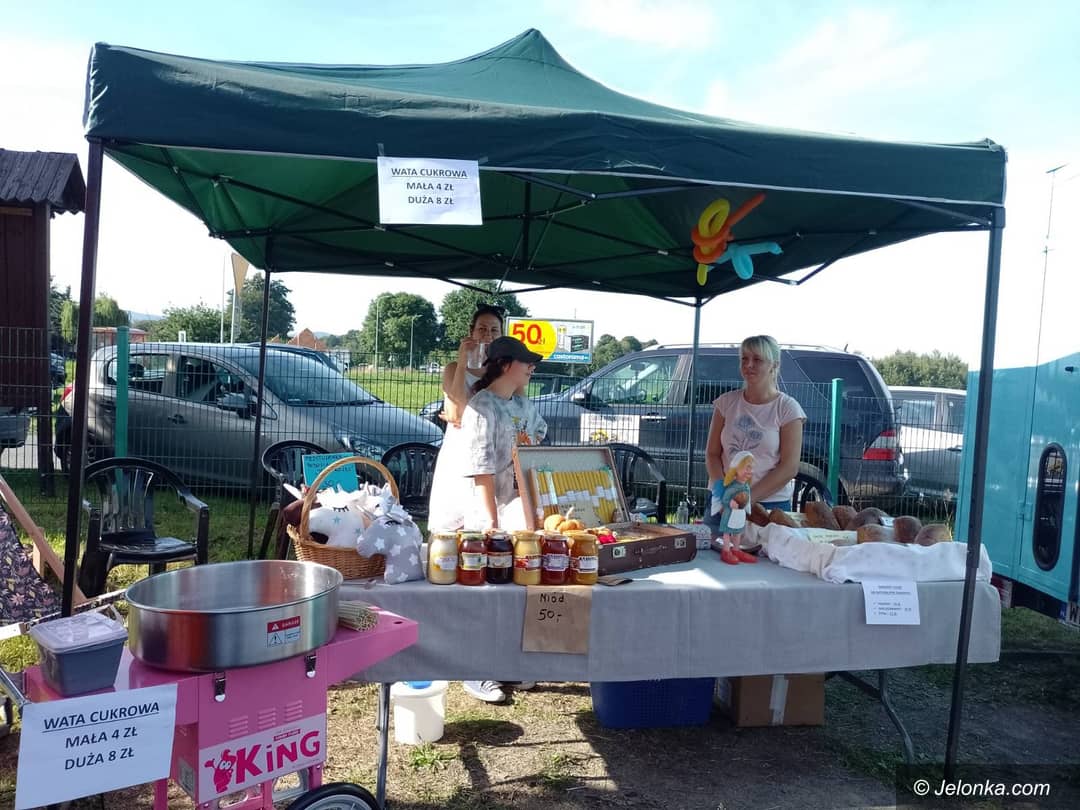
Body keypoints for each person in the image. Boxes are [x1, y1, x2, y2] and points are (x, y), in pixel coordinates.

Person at [705, 335, 806, 529]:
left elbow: (789, 467)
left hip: (769, 506)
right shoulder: (725, 403)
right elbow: (712, 454)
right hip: (721, 504)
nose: (749, 365)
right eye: (744, 358)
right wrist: (722, 493)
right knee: (714, 547)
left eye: (757, 359)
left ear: (774, 365)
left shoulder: (787, 408)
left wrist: (745, 499)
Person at [427, 305, 506, 532]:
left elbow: (512, 413)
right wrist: (463, 362)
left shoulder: (505, 371)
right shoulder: (453, 369)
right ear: (471, 332)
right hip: (458, 453)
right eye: (482, 329)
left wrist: (470, 417)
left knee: (487, 525)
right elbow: (455, 413)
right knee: (450, 529)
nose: (488, 335)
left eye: (494, 330)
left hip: (492, 455)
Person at [708, 450, 758, 565]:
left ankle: (736, 550)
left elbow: (747, 498)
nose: (749, 471)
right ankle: (726, 551)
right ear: (737, 468)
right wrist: (730, 503)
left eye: (751, 468)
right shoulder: (732, 486)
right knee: (727, 533)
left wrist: (745, 505)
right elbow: (725, 499)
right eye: (747, 467)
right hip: (729, 514)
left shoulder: (746, 486)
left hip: (739, 514)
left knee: (738, 532)